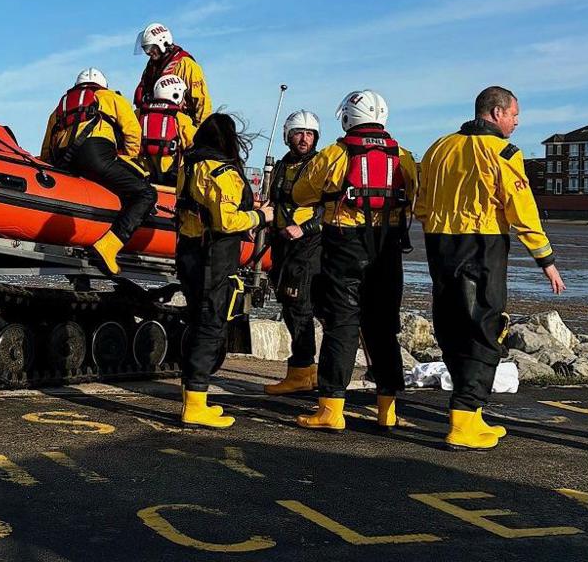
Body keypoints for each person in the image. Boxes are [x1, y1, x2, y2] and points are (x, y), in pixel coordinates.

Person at [414, 86, 566, 450]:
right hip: (482, 244)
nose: (516, 121)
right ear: (496, 113)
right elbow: (522, 209)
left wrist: (433, 226)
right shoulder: (503, 152)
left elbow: (421, 200)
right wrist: (546, 260)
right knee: (485, 325)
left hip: (439, 244)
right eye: (514, 114)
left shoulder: (439, 148)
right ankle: (465, 419)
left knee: (450, 323)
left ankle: (471, 415)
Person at [291, 90, 416, 432]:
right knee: (383, 327)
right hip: (388, 248)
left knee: (342, 325)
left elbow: (300, 193)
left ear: (347, 117)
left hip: (344, 245)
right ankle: (387, 410)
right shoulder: (402, 156)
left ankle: (331, 409)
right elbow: (415, 199)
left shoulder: (335, 153)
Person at [175, 113, 275, 427]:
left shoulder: (188, 166)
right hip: (212, 258)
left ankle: (193, 396)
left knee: (197, 320)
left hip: (188, 252)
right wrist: (261, 216)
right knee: (210, 325)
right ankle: (195, 404)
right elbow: (227, 220)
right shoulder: (223, 172)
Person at [41, 67, 156, 275]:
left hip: (63, 161)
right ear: (103, 84)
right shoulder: (110, 97)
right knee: (146, 193)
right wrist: (128, 159)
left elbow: (47, 149)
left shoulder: (61, 106)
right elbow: (132, 131)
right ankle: (109, 246)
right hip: (94, 154)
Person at [263, 110, 324, 395]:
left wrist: (307, 227)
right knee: (289, 307)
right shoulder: (283, 165)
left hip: (307, 246)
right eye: (299, 133)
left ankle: (301, 370)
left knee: (299, 307)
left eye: (309, 134)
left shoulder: (319, 165)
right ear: (289, 136)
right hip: (282, 244)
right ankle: (307, 371)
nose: (304, 139)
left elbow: (328, 206)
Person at [133, 22, 212, 127]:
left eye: (150, 48)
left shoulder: (186, 65)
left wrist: (200, 131)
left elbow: (202, 101)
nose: (148, 53)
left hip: (181, 126)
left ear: (162, 43)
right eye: (145, 49)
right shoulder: (151, 67)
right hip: (155, 123)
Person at [136, 73, 198, 186]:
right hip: (171, 180)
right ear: (176, 95)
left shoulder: (139, 114)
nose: (184, 103)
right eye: (183, 97)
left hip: (142, 175)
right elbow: (195, 145)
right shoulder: (180, 118)